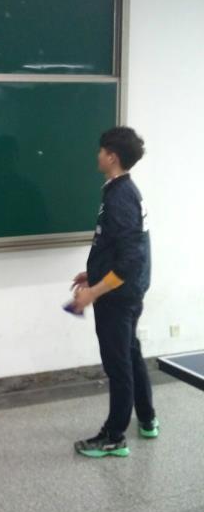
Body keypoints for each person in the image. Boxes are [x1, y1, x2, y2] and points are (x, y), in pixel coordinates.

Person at [71, 127, 157, 458]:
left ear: (112, 157)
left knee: (118, 365)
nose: (97, 155)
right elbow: (119, 247)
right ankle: (146, 419)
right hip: (125, 292)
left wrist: (93, 291)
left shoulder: (121, 196)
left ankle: (114, 436)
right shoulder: (121, 190)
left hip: (118, 297)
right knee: (130, 353)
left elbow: (131, 260)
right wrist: (92, 274)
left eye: (101, 151)